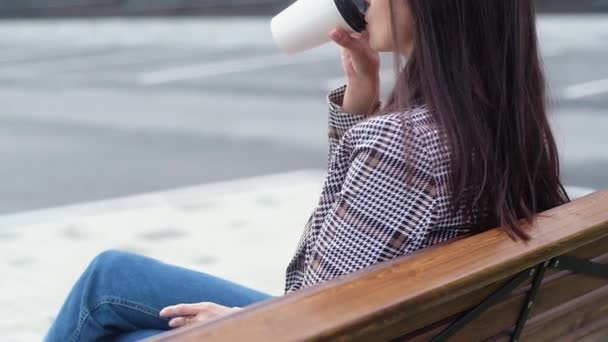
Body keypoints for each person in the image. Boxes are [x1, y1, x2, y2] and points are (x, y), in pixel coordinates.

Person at [44, 0, 570, 341]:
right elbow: (358, 253)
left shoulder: (405, 150)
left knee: (109, 315)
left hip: (318, 327)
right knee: (111, 276)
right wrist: (362, 103)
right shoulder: (500, 123)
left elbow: (308, 301)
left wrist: (238, 329)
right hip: (398, 325)